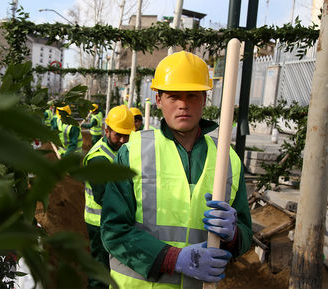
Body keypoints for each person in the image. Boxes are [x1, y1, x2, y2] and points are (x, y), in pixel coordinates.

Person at [100, 51, 252, 288]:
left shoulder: (228, 160)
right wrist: (174, 259)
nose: (183, 105)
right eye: (173, 96)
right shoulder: (133, 153)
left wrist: (234, 235)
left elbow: (245, 235)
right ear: (159, 100)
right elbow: (113, 230)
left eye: (192, 95)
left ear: (204, 99)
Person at [83, 105, 135, 289]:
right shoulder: (99, 159)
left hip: (112, 220)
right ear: (106, 131)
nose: (122, 140)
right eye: (117, 135)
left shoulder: (118, 151)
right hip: (100, 223)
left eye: (126, 135)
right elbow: (104, 197)